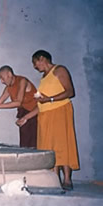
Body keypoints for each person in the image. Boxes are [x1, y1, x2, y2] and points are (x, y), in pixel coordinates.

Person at [17, 50, 79, 190]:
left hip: (59, 111)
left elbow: (70, 92)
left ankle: (67, 179)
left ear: (42, 59)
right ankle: (55, 179)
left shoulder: (59, 70)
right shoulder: (44, 78)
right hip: (45, 115)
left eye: (35, 63)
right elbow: (41, 104)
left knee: (62, 144)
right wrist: (25, 118)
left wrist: (49, 99)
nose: (34, 67)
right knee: (49, 147)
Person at [0, 65, 38, 148]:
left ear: (9, 74)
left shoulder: (22, 81)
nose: (2, 82)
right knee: (25, 143)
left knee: (33, 144)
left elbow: (18, 103)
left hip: (34, 114)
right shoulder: (8, 88)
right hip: (24, 116)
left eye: (2, 78)